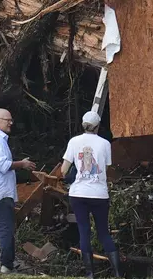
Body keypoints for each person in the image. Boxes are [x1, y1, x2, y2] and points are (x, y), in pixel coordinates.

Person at [0, 108, 36, 273]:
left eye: (11, 119)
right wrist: (22, 164)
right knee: (6, 229)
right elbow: (2, 165)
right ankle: (6, 265)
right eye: (7, 120)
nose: (11, 122)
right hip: (0, 193)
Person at [61, 111, 121, 278]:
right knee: (103, 232)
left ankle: (90, 274)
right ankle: (117, 273)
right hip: (99, 194)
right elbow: (106, 168)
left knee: (84, 231)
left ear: (83, 124)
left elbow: (63, 170)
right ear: (98, 126)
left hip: (78, 194)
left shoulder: (74, 142)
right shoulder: (105, 144)